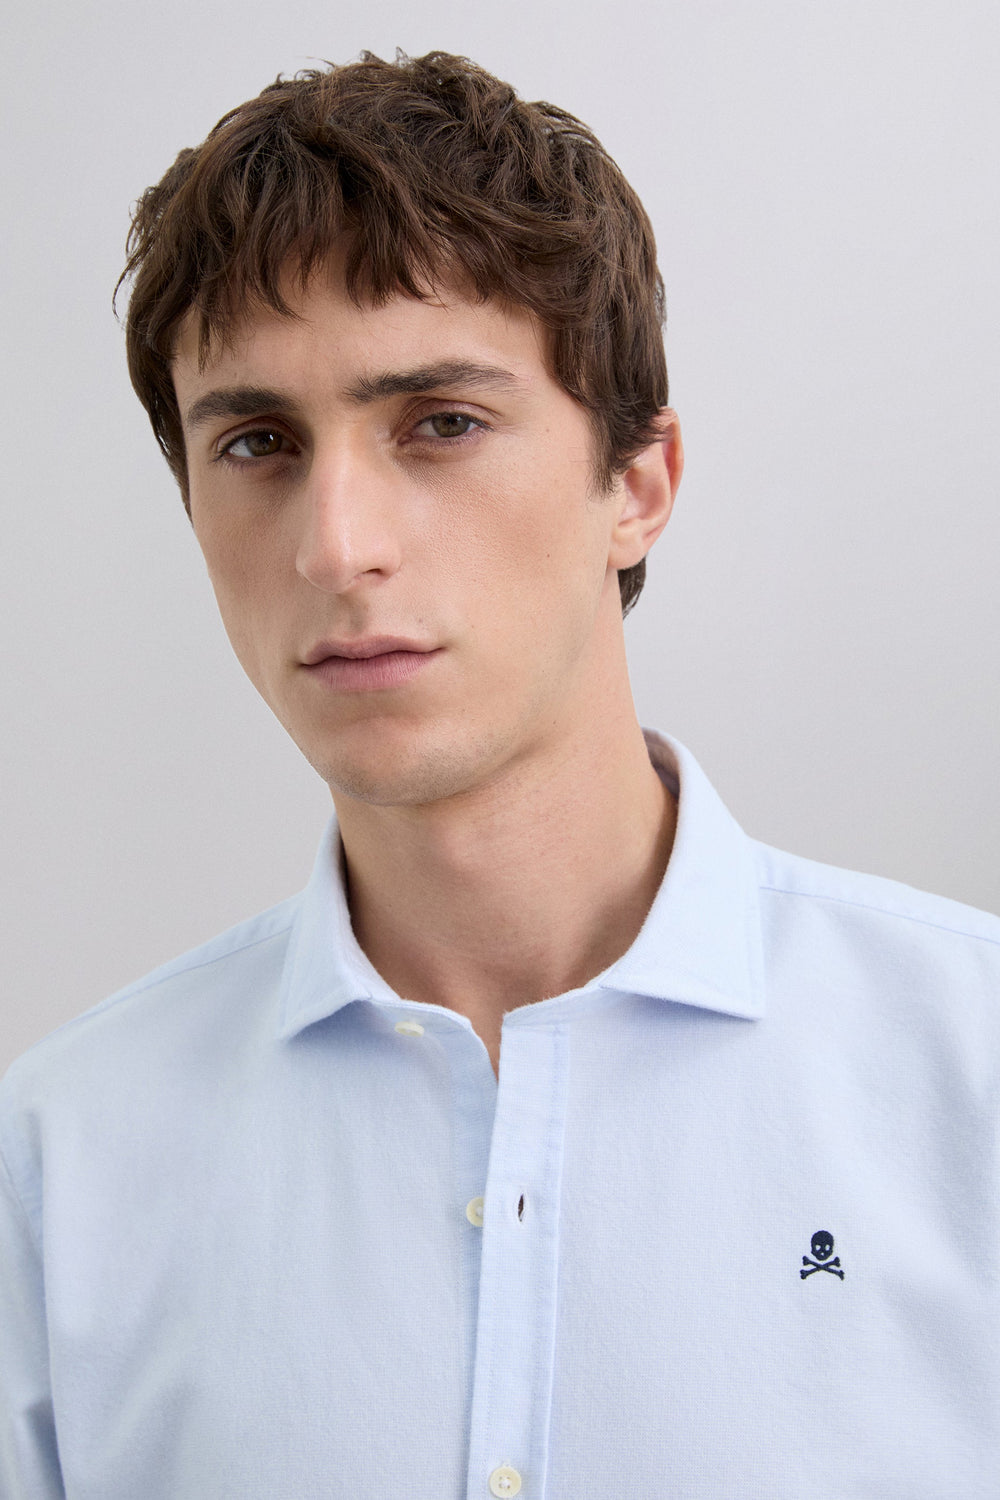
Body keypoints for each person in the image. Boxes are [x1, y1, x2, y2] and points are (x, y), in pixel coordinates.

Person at [1, 49, 997, 1499]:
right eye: (259, 443)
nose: (336, 546)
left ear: (637, 486)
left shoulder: (969, 1075)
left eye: (442, 424)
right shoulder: (60, 1165)